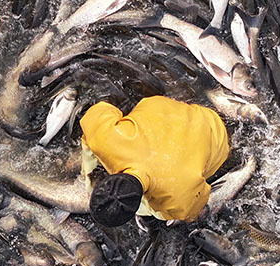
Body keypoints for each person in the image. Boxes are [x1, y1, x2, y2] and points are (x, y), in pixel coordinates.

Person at [79, 96, 230, 226]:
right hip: (177, 111)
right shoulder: (107, 139)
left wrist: (88, 171)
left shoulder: (178, 198)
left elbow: (192, 211)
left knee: (162, 214)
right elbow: (97, 111)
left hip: (218, 135)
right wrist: (92, 160)